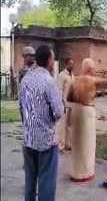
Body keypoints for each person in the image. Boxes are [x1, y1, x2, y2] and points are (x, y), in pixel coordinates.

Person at [67, 58, 107, 182]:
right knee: (87, 144)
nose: (94, 71)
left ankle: (75, 172)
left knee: (76, 144)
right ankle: (85, 173)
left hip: (76, 111)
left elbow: (69, 98)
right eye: (93, 69)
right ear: (89, 69)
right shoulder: (91, 80)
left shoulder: (74, 80)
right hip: (86, 113)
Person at [19, 45, 63, 201]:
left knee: (29, 181)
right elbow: (58, 112)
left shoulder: (26, 79)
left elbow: (21, 107)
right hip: (46, 141)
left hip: (28, 139)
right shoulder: (49, 81)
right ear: (50, 60)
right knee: (46, 182)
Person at [57, 57, 74, 152]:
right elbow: (59, 90)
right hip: (64, 104)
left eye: (73, 64)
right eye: (70, 64)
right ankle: (60, 146)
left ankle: (68, 144)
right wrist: (61, 103)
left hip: (72, 103)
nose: (72, 66)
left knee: (69, 125)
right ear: (66, 65)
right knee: (62, 125)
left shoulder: (72, 75)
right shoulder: (61, 76)